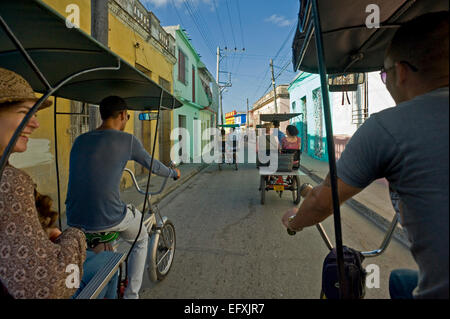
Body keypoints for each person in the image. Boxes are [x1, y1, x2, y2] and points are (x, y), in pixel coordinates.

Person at [282, 11, 449, 299]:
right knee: (399, 278)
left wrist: (294, 221)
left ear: (402, 72)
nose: (386, 81)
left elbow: (323, 201)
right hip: (294, 164)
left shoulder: (388, 126)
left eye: (384, 74)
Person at [0, 67, 117, 299]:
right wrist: (73, 236)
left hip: (66, 218)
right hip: (55, 274)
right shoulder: (11, 181)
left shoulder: (82, 140)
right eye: (25, 112)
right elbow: (51, 286)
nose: (34, 123)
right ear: (122, 116)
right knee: (111, 261)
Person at [65, 95, 180, 299]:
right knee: (141, 238)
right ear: (122, 115)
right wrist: (173, 173)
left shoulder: (81, 140)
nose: (126, 120)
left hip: (74, 219)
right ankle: (132, 295)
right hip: (108, 217)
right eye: (127, 117)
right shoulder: (127, 140)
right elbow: (152, 164)